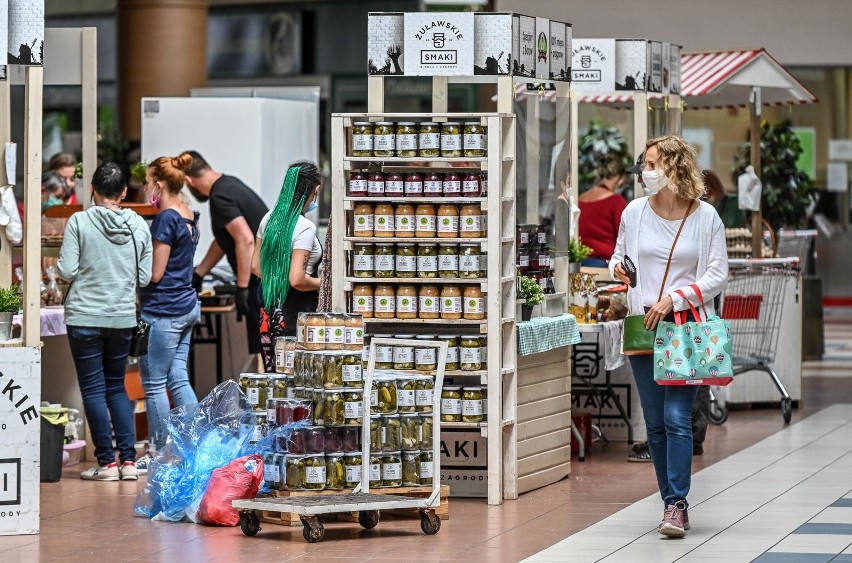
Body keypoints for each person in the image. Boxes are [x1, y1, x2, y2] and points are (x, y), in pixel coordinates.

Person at [610, 135, 728, 537]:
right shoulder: (634, 212)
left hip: (686, 328)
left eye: (652, 164)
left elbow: (716, 274)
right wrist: (619, 271)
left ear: (675, 167)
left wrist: (674, 299)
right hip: (645, 327)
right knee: (655, 422)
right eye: (644, 165)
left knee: (678, 417)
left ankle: (677, 503)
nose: (645, 172)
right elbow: (619, 255)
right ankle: (668, 503)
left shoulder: (706, 216)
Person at [57, 163, 153, 481]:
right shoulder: (138, 225)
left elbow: (67, 271)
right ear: (124, 192)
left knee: (93, 391)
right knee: (117, 387)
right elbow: (144, 276)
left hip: (84, 316)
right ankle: (128, 462)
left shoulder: (79, 222)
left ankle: (106, 464)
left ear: (92, 190)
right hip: (122, 316)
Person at [134, 155, 201, 474]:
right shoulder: (189, 214)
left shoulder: (165, 219)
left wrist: (130, 274)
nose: (147, 188)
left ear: (159, 184)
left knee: (155, 381)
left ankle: (162, 450)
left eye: (148, 183)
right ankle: (192, 444)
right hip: (186, 306)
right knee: (177, 375)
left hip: (163, 310)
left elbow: (155, 273)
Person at [176, 151, 269, 358]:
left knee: (268, 354)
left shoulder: (220, 197)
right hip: (268, 278)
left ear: (189, 181)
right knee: (268, 350)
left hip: (261, 284)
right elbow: (224, 241)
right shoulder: (229, 185)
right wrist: (199, 273)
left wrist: (242, 288)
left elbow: (245, 239)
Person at [250, 162, 322, 372]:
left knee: (276, 382)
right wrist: (324, 284)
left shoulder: (269, 218)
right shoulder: (305, 227)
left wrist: (276, 278)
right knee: (298, 382)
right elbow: (297, 279)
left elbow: (255, 266)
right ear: (315, 189)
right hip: (295, 316)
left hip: (269, 313)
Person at [578, 155, 628, 267]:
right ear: (619, 179)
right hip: (605, 264)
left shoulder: (580, 199)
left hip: (580, 263)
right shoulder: (616, 202)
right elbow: (625, 237)